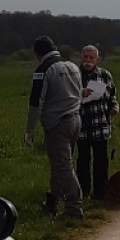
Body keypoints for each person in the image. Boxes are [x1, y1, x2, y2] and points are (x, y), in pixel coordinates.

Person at [25, 36, 84, 219]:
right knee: (60, 164)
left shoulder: (43, 70)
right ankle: (52, 202)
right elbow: (80, 93)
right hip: (75, 120)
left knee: (63, 167)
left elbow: (36, 102)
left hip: (57, 123)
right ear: (55, 48)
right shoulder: (73, 66)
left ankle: (74, 208)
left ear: (37, 54)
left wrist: (30, 128)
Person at [77, 45, 119, 200]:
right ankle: (83, 192)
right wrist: (80, 93)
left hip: (100, 124)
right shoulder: (74, 75)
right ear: (81, 58)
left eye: (91, 57)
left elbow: (112, 95)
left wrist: (114, 107)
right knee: (83, 160)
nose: (88, 60)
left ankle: (101, 192)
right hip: (82, 125)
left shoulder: (104, 75)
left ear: (97, 59)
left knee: (101, 160)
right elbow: (67, 97)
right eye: (85, 57)